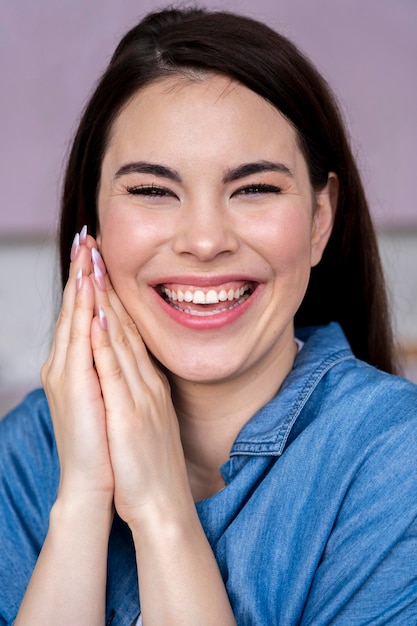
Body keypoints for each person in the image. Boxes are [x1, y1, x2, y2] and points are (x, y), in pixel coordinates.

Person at [1, 6, 416, 625]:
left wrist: (162, 509)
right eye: (151, 191)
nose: (203, 240)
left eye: (254, 189)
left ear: (320, 221)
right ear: (95, 223)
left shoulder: (394, 460)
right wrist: (83, 499)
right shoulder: (27, 454)